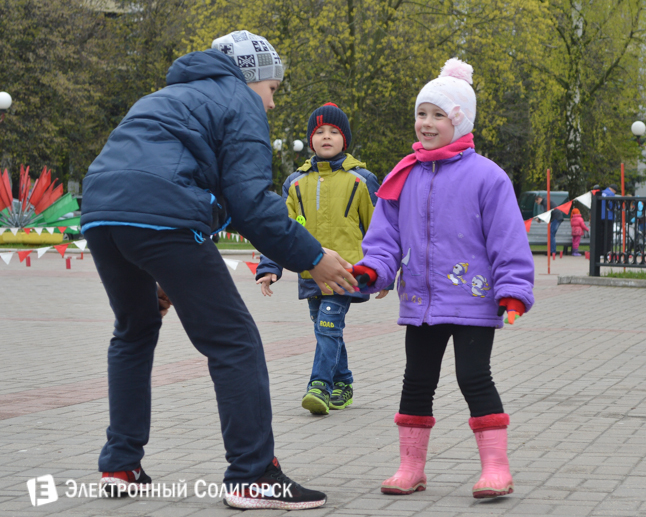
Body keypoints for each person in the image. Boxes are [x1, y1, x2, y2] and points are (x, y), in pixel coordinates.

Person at [79, 30, 358, 511]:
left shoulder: (162, 96)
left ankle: (120, 464)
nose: (270, 105)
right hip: (161, 218)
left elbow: (197, 190)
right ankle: (253, 476)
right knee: (235, 341)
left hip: (101, 213)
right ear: (252, 77)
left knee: (134, 329)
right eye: (272, 89)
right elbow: (251, 203)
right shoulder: (238, 100)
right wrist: (313, 257)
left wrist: (167, 271)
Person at [348, 59, 534, 499]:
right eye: (421, 113)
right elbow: (385, 234)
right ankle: (410, 467)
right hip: (421, 301)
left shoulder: (488, 176)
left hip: (473, 300)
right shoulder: (404, 174)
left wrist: (513, 291)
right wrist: (374, 269)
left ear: (460, 120)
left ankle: (496, 468)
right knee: (416, 380)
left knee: (474, 377)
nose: (426, 123)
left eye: (437, 115)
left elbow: (507, 239)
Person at [255, 103, 388, 415]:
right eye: (319, 132)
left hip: (347, 272)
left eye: (334, 132)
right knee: (326, 327)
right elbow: (280, 229)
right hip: (309, 272)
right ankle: (343, 382)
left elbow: (380, 230)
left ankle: (320, 387)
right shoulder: (295, 183)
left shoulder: (362, 180)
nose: (326, 137)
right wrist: (269, 267)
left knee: (327, 326)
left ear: (345, 140)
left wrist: (385, 273)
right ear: (310, 139)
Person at [601, 184, 617, 255]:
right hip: (609, 217)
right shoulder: (611, 194)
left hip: (600, 217)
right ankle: (606, 252)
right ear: (614, 190)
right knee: (608, 235)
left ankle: (600, 252)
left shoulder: (601, 192)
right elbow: (612, 206)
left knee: (601, 234)